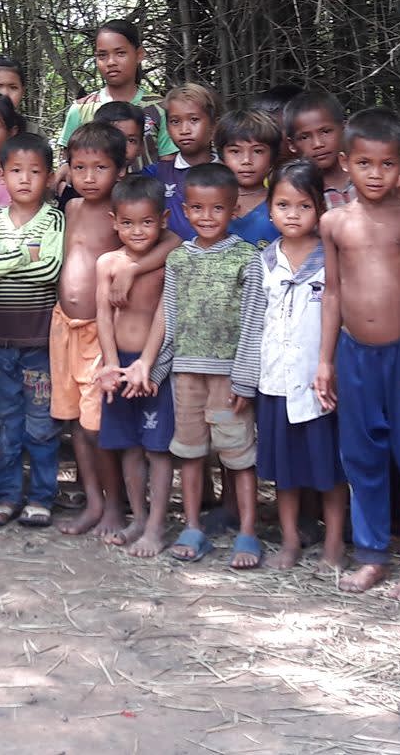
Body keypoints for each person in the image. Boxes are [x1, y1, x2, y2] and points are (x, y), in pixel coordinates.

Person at [318, 109, 400, 600]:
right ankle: (371, 554)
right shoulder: (333, 223)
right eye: (364, 163)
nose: (375, 174)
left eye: (386, 164)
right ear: (346, 163)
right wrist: (325, 361)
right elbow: (330, 293)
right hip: (354, 354)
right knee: (361, 456)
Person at [134, 163, 259, 568]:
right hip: (186, 374)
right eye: (199, 209)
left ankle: (247, 532)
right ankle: (192, 526)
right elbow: (168, 312)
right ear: (185, 211)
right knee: (189, 452)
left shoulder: (248, 259)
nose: (207, 218)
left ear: (233, 210)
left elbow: (255, 318)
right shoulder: (179, 259)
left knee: (237, 454)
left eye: (217, 209)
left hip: (228, 378)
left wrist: (244, 377)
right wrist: (154, 367)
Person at [229, 159, 343, 570]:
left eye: (303, 206)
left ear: (320, 209)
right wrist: (244, 381)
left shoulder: (332, 259)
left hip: (318, 384)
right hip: (274, 382)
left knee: (329, 469)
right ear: (270, 208)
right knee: (285, 473)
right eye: (282, 205)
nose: (292, 215)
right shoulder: (264, 262)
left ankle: (333, 542)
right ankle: (291, 539)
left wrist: (331, 367)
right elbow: (251, 324)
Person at [0, 133, 65, 527]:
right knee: (2, 420)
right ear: (2, 175)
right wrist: (23, 255)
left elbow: (49, 269)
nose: (25, 179)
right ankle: (8, 494)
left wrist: (2, 263)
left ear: (47, 177)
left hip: (39, 340)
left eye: (34, 172)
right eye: (16, 171)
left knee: (41, 422)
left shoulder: (55, 218)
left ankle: (42, 496)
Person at [90, 176, 178, 557]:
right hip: (119, 366)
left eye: (146, 222)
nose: (137, 230)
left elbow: (165, 312)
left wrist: (147, 361)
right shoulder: (107, 263)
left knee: (157, 448)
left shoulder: (170, 258)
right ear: (114, 221)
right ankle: (138, 517)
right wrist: (111, 364)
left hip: (154, 366)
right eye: (127, 223)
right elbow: (103, 316)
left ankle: (157, 526)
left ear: (163, 219)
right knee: (127, 445)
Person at [52, 123, 128, 537]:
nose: (88, 176)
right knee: (76, 423)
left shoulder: (122, 209)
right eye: (79, 167)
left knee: (100, 424)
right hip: (62, 326)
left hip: (101, 332)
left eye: (100, 167)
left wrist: (134, 268)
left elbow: (167, 241)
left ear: (120, 170)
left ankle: (115, 505)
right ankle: (94, 503)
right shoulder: (71, 208)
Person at [56, 19, 173, 167]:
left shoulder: (160, 108)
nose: (111, 62)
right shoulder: (81, 109)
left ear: (139, 54)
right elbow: (67, 162)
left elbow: (169, 166)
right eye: (102, 55)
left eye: (120, 53)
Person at [149, 83, 220, 239]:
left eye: (194, 119)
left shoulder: (229, 173)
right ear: (167, 128)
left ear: (214, 126)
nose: (184, 130)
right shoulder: (157, 173)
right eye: (175, 121)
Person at [216, 108, 284, 247]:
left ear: (272, 157)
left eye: (258, 151)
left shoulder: (283, 204)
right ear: (221, 156)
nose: (246, 160)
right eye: (235, 151)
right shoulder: (210, 204)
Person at [282, 91, 351, 207]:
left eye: (326, 131)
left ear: (344, 129)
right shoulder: (297, 192)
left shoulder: (370, 180)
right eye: (305, 137)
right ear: (291, 144)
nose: (318, 144)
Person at [91, 100, 154, 175]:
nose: (123, 147)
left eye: (131, 140)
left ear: (141, 147)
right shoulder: (82, 183)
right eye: (113, 138)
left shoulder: (148, 183)